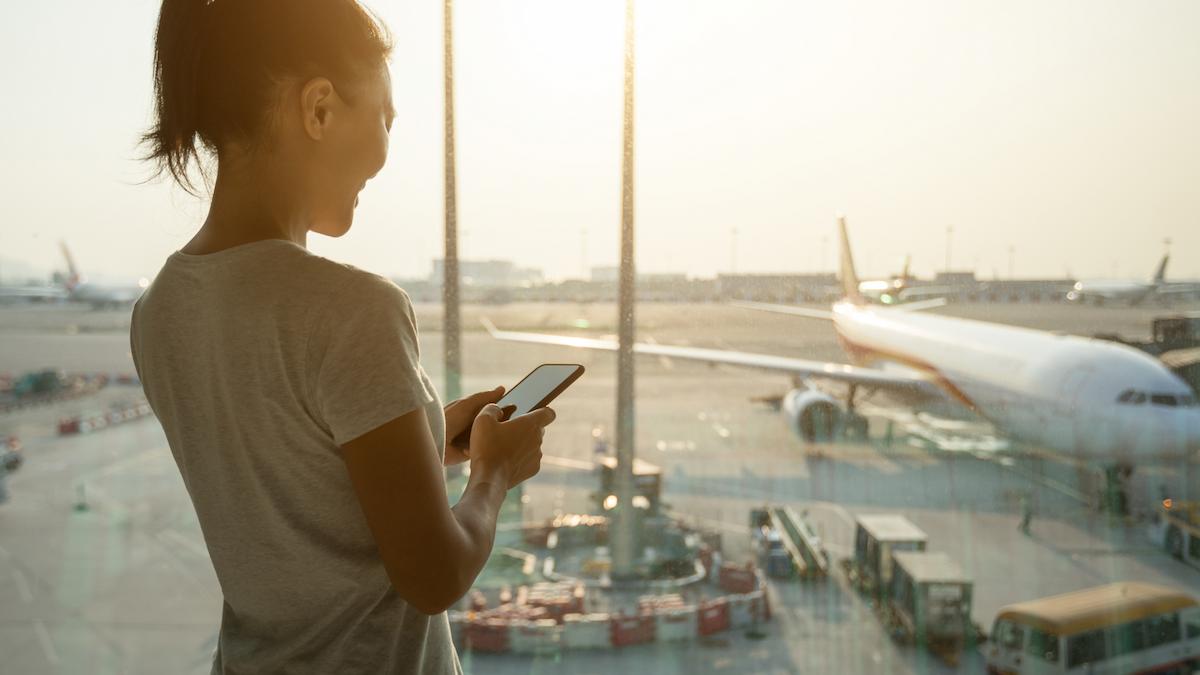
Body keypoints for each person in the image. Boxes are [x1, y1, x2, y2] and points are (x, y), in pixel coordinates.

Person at [131, 1, 555, 673]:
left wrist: (425, 437)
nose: (386, 150)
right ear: (320, 109)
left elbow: (290, 472)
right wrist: (493, 472)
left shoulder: (159, 310)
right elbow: (433, 574)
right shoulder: (354, 310)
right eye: (384, 117)